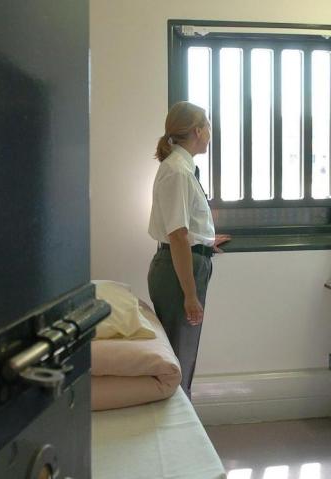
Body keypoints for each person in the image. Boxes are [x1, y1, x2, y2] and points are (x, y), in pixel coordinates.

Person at [147, 101, 228, 399]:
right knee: (180, 356)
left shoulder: (182, 169)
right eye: (207, 125)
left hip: (183, 264)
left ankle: (181, 422)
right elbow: (178, 236)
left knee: (184, 352)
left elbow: (184, 231)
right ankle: (179, 429)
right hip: (178, 271)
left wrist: (206, 240)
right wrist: (190, 295)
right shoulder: (178, 172)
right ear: (197, 131)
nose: (210, 132)